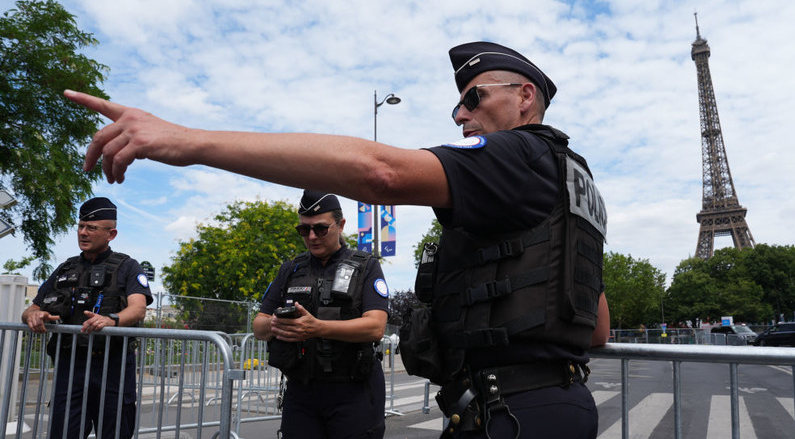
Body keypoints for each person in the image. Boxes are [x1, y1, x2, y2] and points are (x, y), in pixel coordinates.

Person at [65, 40, 611, 439]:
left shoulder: (519, 156)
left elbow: (381, 174)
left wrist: (187, 141)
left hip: (509, 412)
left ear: (525, 96)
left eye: (473, 96)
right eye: (457, 105)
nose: (461, 114)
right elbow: (595, 327)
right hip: (549, 402)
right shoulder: (575, 183)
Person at [252, 190, 389, 438]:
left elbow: (375, 327)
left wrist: (317, 328)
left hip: (353, 392)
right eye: (304, 230)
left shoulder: (366, 265)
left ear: (341, 225)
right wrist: (276, 323)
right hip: (302, 394)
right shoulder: (290, 269)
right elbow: (258, 325)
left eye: (321, 229)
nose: (312, 237)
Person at [21, 197, 153, 439]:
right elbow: (29, 310)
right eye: (80, 226)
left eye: (91, 228)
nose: (83, 232)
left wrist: (110, 320)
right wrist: (35, 315)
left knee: (115, 432)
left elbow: (138, 309)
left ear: (111, 234)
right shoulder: (65, 268)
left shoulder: (128, 266)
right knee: (62, 433)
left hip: (112, 364)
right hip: (71, 365)